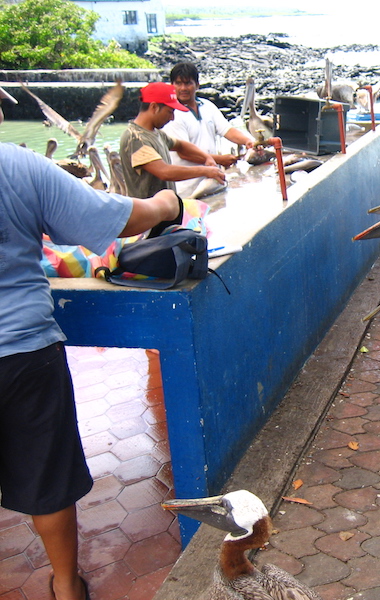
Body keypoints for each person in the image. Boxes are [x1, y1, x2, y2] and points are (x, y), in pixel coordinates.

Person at [0, 86, 182, 600]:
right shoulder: (17, 166)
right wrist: (165, 203)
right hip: (21, 350)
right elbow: (115, 221)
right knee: (46, 471)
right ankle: (66, 584)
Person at [119, 81, 226, 200]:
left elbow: (180, 145)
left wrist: (206, 157)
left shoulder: (156, 133)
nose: (172, 118)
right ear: (154, 107)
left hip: (166, 211)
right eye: (170, 112)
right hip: (149, 215)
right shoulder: (135, 138)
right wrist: (205, 171)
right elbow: (164, 172)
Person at [162, 62, 255, 198]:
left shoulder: (207, 106)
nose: (183, 88)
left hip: (211, 181)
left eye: (188, 83)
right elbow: (184, 153)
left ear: (197, 85)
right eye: (178, 83)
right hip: (186, 188)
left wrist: (248, 141)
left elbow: (227, 130)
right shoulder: (172, 114)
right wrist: (219, 159)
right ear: (172, 86)